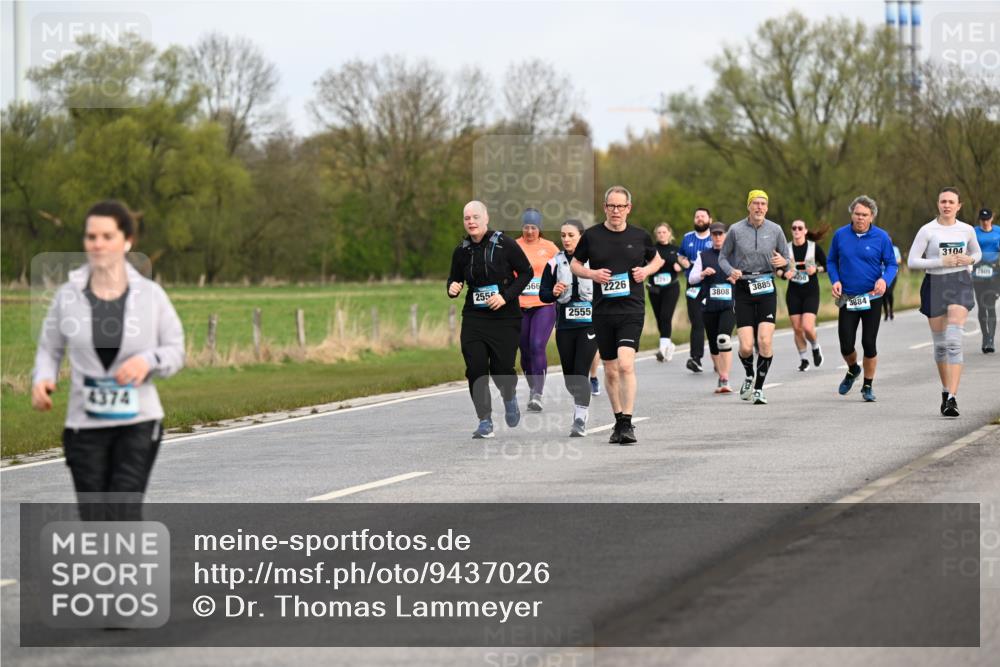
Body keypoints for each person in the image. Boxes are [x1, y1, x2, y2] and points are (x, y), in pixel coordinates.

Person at [32, 200, 185, 521]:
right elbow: (50, 348)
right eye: (91, 237)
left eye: (107, 236)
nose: (98, 244)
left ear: (127, 240)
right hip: (84, 427)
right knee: (94, 517)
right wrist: (42, 379)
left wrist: (148, 360)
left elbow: (174, 350)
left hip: (137, 423)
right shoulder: (67, 296)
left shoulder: (150, 295)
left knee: (123, 511)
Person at [571, 186, 663, 445]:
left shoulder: (640, 235)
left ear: (628, 208)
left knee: (625, 364)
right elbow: (575, 264)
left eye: (620, 206)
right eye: (611, 206)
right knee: (610, 370)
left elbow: (657, 261)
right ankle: (618, 419)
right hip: (603, 311)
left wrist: (646, 272)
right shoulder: (591, 236)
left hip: (632, 309)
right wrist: (592, 274)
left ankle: (627, 422)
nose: (615, 211)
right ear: (604, 208)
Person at [448, 201, 532, 438]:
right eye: (467, 218)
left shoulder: (505, 244)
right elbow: (454, 279)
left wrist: (505, 297)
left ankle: (509, 396)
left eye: (475, 217)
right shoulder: (461, 250)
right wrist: (452, 288)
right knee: (475, 368)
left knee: (502, 368)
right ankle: (484, 420)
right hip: (475, 317)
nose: (471, 222)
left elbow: (526, 273)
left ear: (486, 219)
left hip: (505, 317)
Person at [907, 187, 982, 417]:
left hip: (959, 282)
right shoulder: (928, 230)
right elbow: (912, 261)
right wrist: (940, 261)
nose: (946, 205)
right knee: (940, 346)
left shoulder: (967, 230)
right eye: (943, 201)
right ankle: (945, 389)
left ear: (959, 206)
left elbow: (977, 254)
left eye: (951, 202)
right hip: (935, 284)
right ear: (938, 204)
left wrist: (970, 259)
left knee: (953, 341)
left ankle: (952, 398)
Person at [718, 189, 791, 405]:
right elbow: (723, 257)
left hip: (767, 286)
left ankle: (759, 387)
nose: (759, 207)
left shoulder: (775, 229)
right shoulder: (736, 230)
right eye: (755, 203)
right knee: (747, 346)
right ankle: (749, 374)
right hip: (743, 288)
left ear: (767, 207)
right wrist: (730, 271)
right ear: (748, 206)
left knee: (765, 341)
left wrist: (783, 263)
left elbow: (786, 257)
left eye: (763, 204)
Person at [826, 196, 898, 402]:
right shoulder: (840, 235)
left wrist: (884, 280)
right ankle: (852, 369)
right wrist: (835, 280)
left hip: (871, 297)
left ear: (872, 216)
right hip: (848, 297)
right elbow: (831, 261)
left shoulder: (882, 237)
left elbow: (892, 264)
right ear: (852, 214)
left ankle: (867, 386)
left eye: (864, 215)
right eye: (857, 214)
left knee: (869, 343)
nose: (860, 218)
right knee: (846, 345)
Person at [539, 219, 597, 437]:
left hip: (589, 324)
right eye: (563, 235)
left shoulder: (594, 261)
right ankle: (580, 400)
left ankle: (580, 417)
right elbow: (543, 294)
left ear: (581, 236)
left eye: (571, 235)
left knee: (581, 371)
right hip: (564, 325)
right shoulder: (554, 263)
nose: (566, 239)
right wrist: (553, 291)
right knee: (570, 377)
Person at [516, 208, 560, 412]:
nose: (530, 231)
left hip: (544, 304)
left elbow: (563, 269)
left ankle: (538, 393)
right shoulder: (514, 246)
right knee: (524, 349)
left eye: (534, 227)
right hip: (519, 306)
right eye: (526, 227)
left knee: (536, 345)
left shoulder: (550, 248)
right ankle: (533, 387)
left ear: (540, 228)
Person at [688, 222, 736, 393]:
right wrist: (702, 273)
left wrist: (736, 278)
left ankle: (724, 379)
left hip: (729, 305)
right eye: (714, 234)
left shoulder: (734, 255)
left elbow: (746, 274)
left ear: (726, 236)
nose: (717, 237)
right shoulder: (704, 256)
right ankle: (721, 373)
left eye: (720, 234)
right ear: (711, 236)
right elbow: (691, 279)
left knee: (724, 339)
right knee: (715, 346)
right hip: (709, 306)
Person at [777, 219, 827, 371]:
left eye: (800, 228)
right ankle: (804, 359)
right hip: (793, 292)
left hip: (811, 291)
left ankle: (815, 346)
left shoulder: (814, 248)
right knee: (797, 328)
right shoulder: (786, 249)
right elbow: (777, 270)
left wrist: (816, 270)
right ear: (791, 231)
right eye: (794, 228)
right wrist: (785, 274)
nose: (797, 230)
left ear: (805, 231)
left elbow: (828, 266)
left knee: (807, 326)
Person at [679, 209, 711, 373]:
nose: (699, 219)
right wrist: (683, 262)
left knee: (713, 321)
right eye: (697, 216)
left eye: (702, 216)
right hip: (693, 285)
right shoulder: (687, 238)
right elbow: (680, 256)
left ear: (709, 220)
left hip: (712, 285)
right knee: (697, 322)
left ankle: (718, 354)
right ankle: (696, 358)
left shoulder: (716, 237)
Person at [648, 223, 685, 363]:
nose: (662, 234)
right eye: (659, 232)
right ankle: (668, 344)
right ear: (656, 235)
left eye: (664, 232)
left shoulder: (676, 250)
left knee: (665, 315)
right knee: (659, 318)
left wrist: (679, 266)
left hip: (671, 287)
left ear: (670, 233)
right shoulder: (652, 250)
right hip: (655, 288)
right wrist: (653, 265)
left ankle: (662, 349)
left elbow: (684, 264)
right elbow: (645, 265)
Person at [973, 208, 999, 353]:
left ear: (992, 218)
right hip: (978, 274)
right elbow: (969, 249)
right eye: (982, 220)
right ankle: (985, 337)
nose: (985, 222)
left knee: (990, 305)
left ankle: (991, 340)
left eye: (987, 219)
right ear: (979, 220)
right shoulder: (973, 232)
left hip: (994, 274)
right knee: (982, 307)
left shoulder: (998, 232)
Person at [883, 244, 903, 321]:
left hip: (892, 274)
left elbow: (899, 260)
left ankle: (891, 310)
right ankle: (886, 313)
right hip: (882, 274)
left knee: (889, 292)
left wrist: (890, 261)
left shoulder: (895, 249)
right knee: (883, 294)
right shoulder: (880, 248)